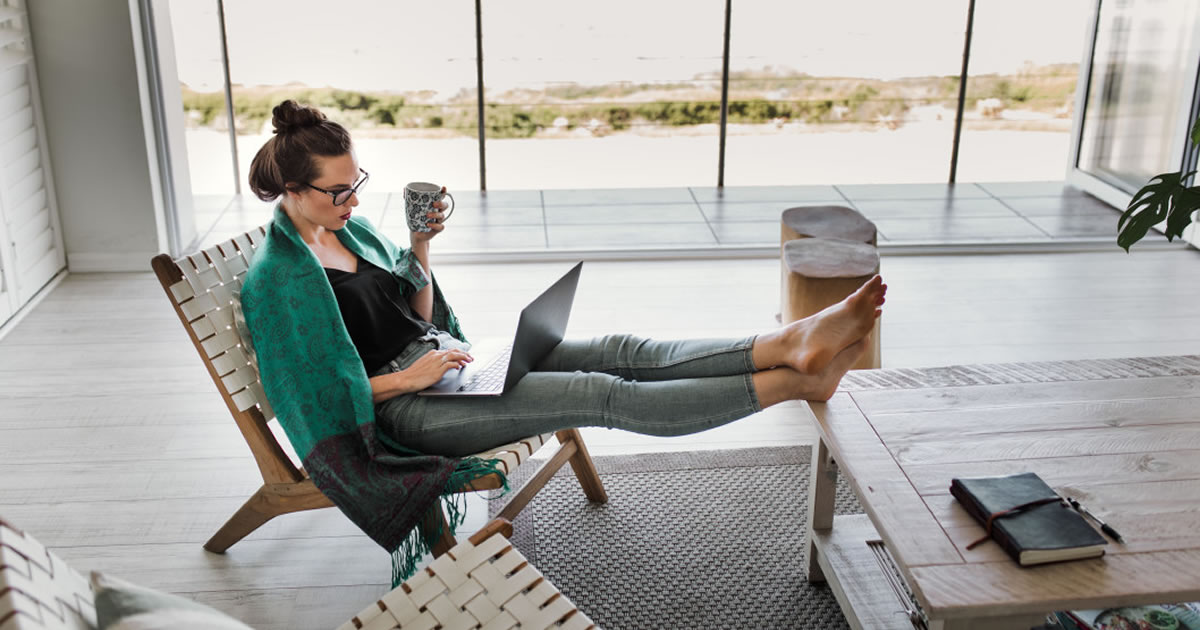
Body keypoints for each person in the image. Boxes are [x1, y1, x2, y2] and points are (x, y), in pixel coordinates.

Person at [239, 100, 886, 578]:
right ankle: (797, 382)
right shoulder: (277, 281)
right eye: (338, 190)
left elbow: (414, 311)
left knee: (622, 349)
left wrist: (421, 247)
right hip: (407, 411)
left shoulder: (350, 233)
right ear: (294, 191)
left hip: (445, 369)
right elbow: (318, 401)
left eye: (358, 183)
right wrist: (410, 378)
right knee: (599, 393)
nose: (353, 198)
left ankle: (790, 343)